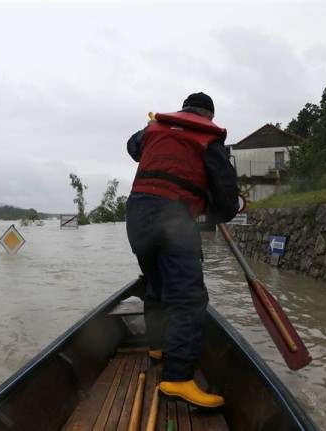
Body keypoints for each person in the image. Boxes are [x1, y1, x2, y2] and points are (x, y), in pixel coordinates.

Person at [125, 92, 239, 408]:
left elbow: (133, 148)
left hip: (136, 216)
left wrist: (155, 135)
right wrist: (209, 214)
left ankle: (157, 347)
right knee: (188, 299)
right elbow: (228, 200)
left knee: (156, 284)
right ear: (209, 117)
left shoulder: (154, 129)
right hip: (173, 218)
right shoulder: (209, 140)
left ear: (184, 109)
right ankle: (177, 379)